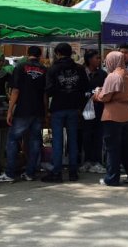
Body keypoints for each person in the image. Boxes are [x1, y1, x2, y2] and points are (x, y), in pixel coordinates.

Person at [0, 46, 47, 183]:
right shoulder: (45, 70)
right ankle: (30, 173)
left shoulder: (21, 67)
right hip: (38, 110)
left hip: (23, 110)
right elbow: (45, 94)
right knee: (34, 141)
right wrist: (45, 112)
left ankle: (10, 173)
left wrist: (10, 110)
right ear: (40, 55)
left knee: (12, 139)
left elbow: (15, 91)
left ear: (28, 54)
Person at [94, 51, 128, 186]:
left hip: (113, 115)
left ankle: (112, 178)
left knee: (112, 148)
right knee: (126, 147)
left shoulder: (113, 76)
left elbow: (106, 97)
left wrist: (97, 94)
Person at [42, 43, 89, 183]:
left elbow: (48, 91)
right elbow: (85, 89)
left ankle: (57, 172)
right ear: (70, 53)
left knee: (57, 141)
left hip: (58, 107)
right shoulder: (80, 69)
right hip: (74, 108)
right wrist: (80, 106)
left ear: (57, 53)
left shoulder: (53, 69)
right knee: (73, 140)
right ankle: (73, 172)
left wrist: (46, 110)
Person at [81, 49, 107, 174]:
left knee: (98, 135)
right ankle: (87, 161)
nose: (99, 60)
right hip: (84, 110)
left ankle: (96, 161)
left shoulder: (102, 74)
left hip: (99, 109)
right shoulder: (80, 72)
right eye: (97, 58)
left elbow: (105, 90)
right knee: (86, 135)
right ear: (89, 60)